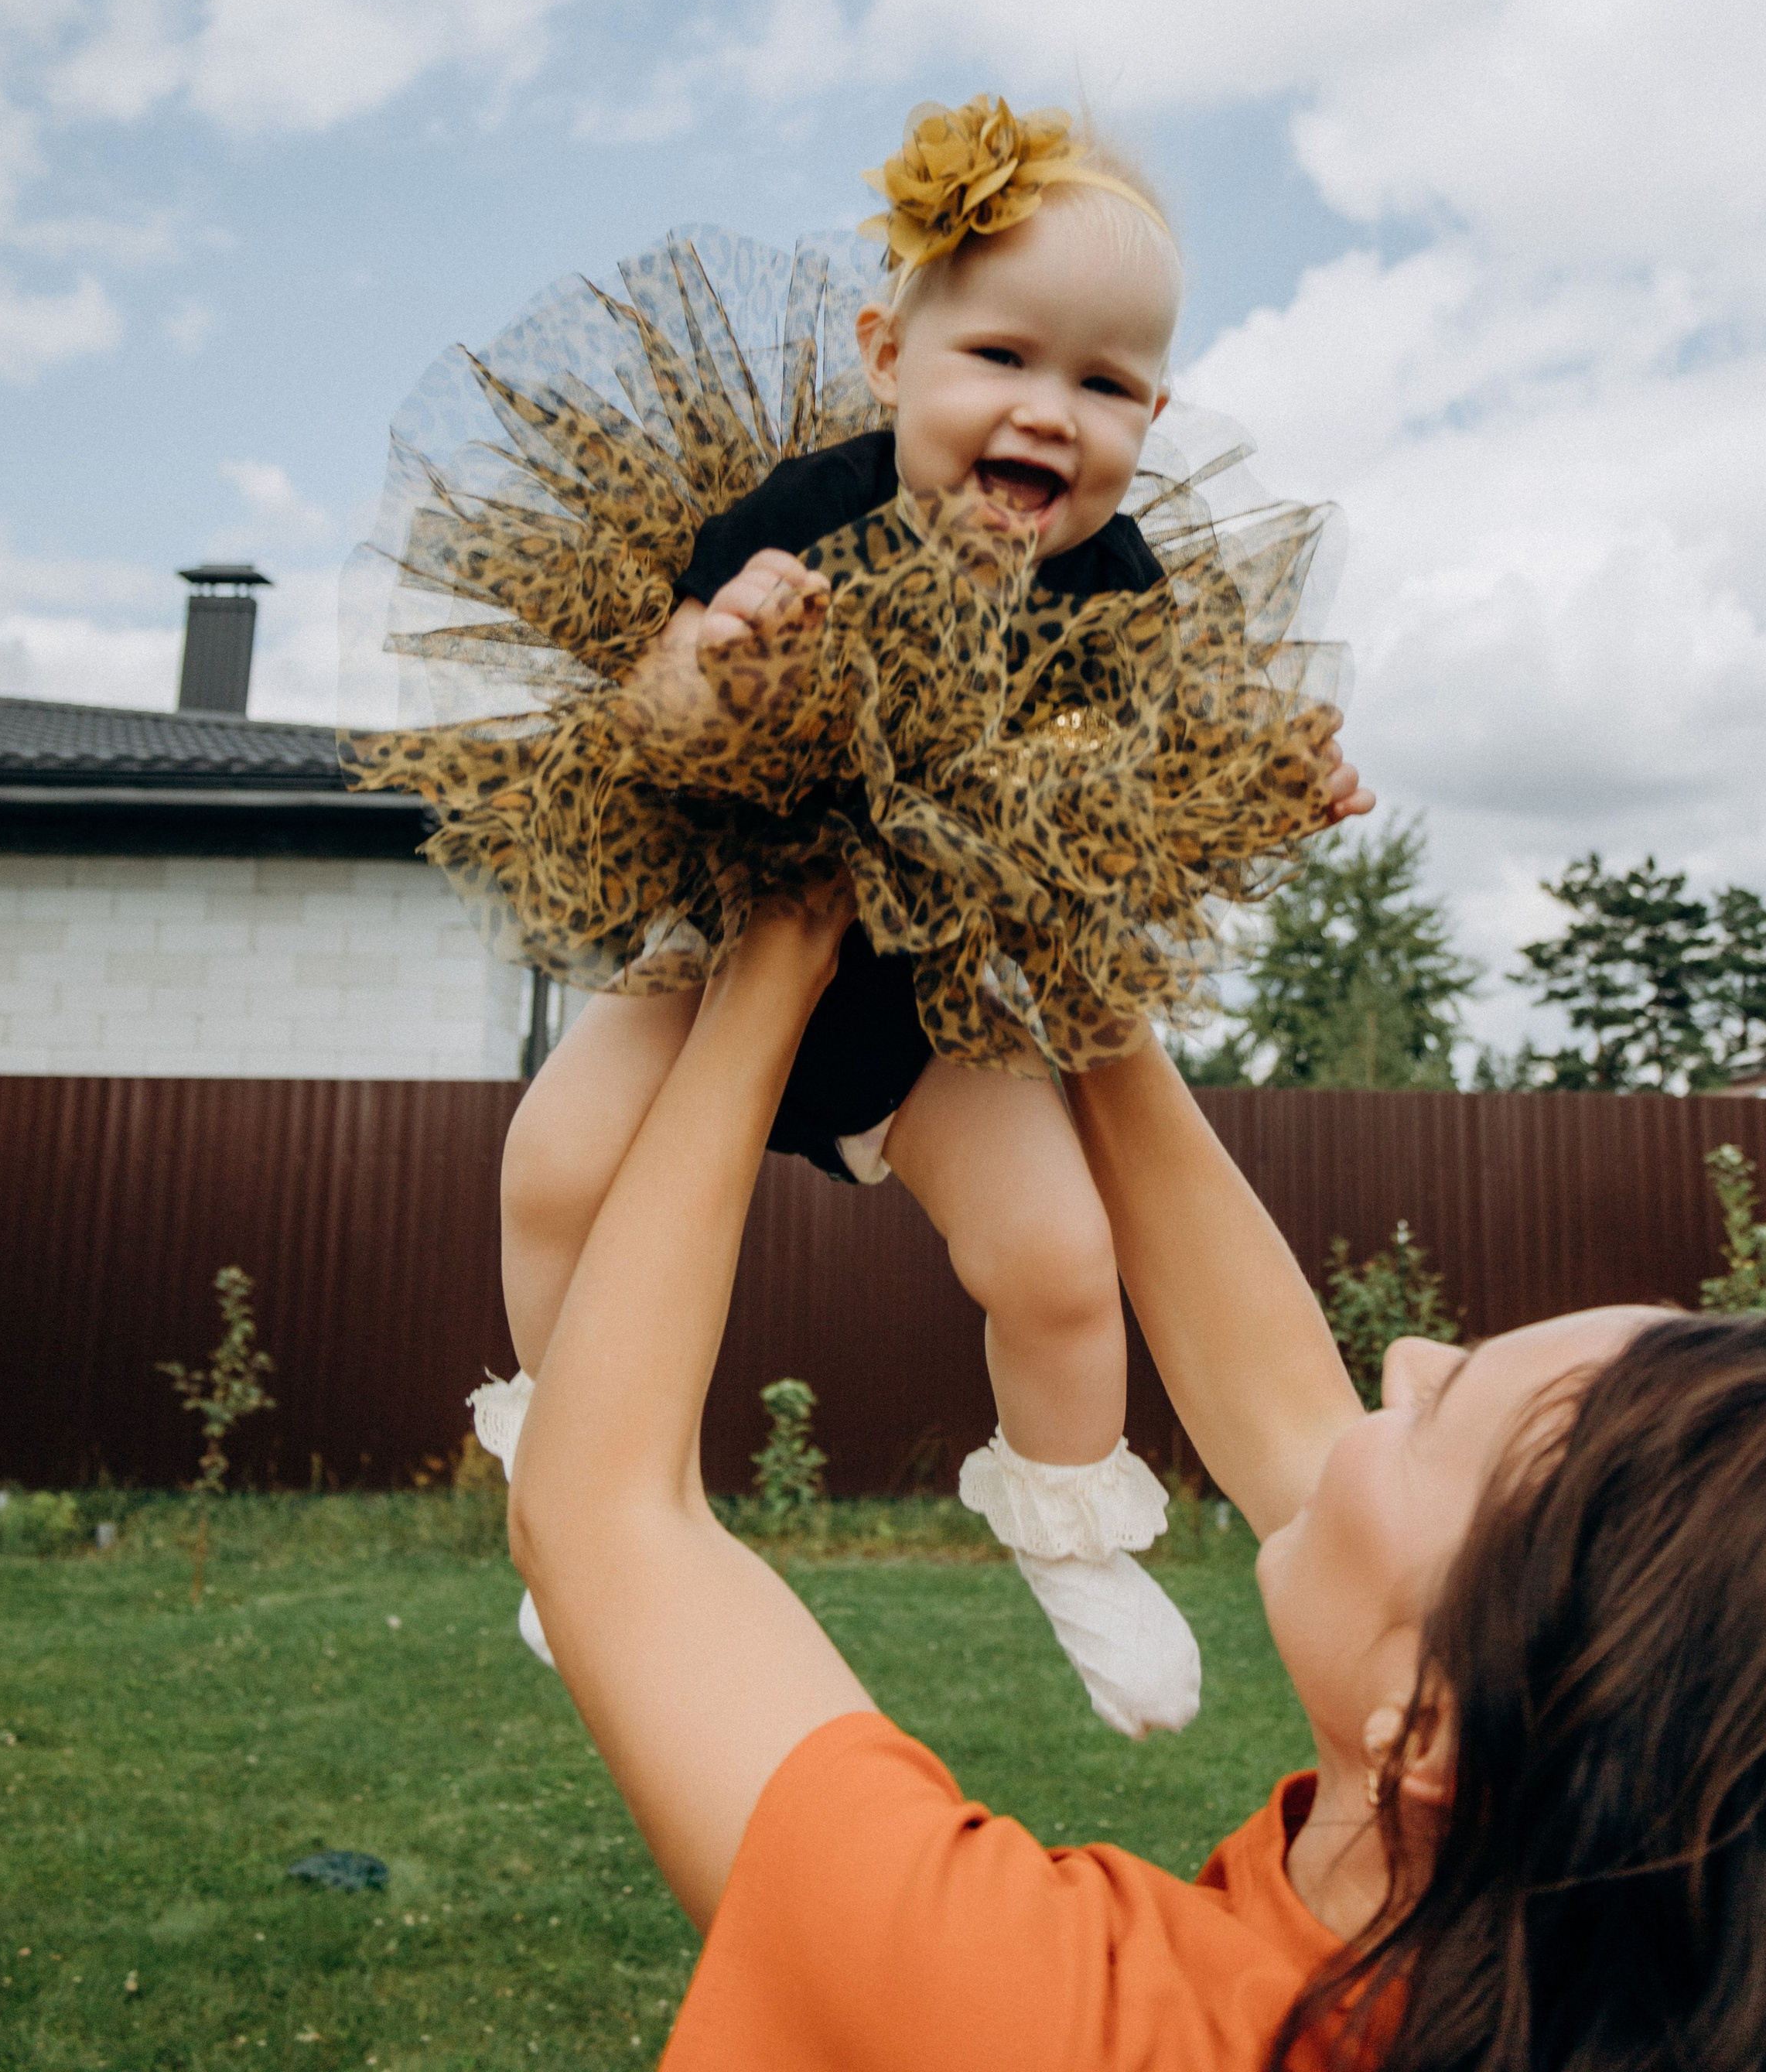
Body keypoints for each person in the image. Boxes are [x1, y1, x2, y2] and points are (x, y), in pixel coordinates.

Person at [509, 880, 1766, 2072]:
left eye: (1442, 1409)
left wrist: (776, 957)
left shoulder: (1044, 2024)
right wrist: (1076, 914)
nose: (1401, 1356)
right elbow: (1293, 1426)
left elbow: (607, 1518)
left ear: (1428, 1728)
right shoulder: (1547, 1968)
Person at [348, 97, 1349, 1732]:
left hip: (925, 1012)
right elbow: (648, 724)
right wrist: (718, 656)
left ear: (1151, 417)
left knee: (1058, 1260)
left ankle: (1071, 1528)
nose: (1049, 411)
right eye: (1001, 358)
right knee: (550, 1168)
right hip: (722, 961)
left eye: (1103, 386)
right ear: (890, 359)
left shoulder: (1115, 589)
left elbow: (1166, 762)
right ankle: (574, 1488)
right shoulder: (802, 515)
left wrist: (1269, 774)